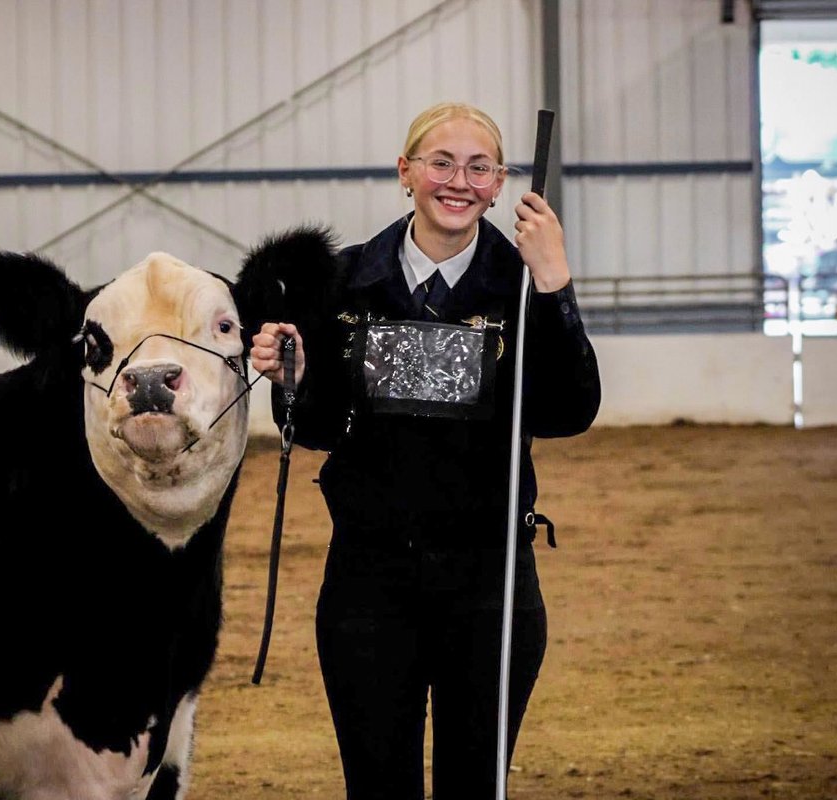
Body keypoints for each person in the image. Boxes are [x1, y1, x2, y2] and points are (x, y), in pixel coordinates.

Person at [249, 102, 601, 799]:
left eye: (478, 168)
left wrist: (555, 282)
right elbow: (316, 428)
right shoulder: (342, 281)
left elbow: (569, 412)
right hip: (368, 585)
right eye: (441, 163)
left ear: (500, 185)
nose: (458, 182)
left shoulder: (525, 282)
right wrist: (294, 380)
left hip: (491, 585)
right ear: (405, 172)